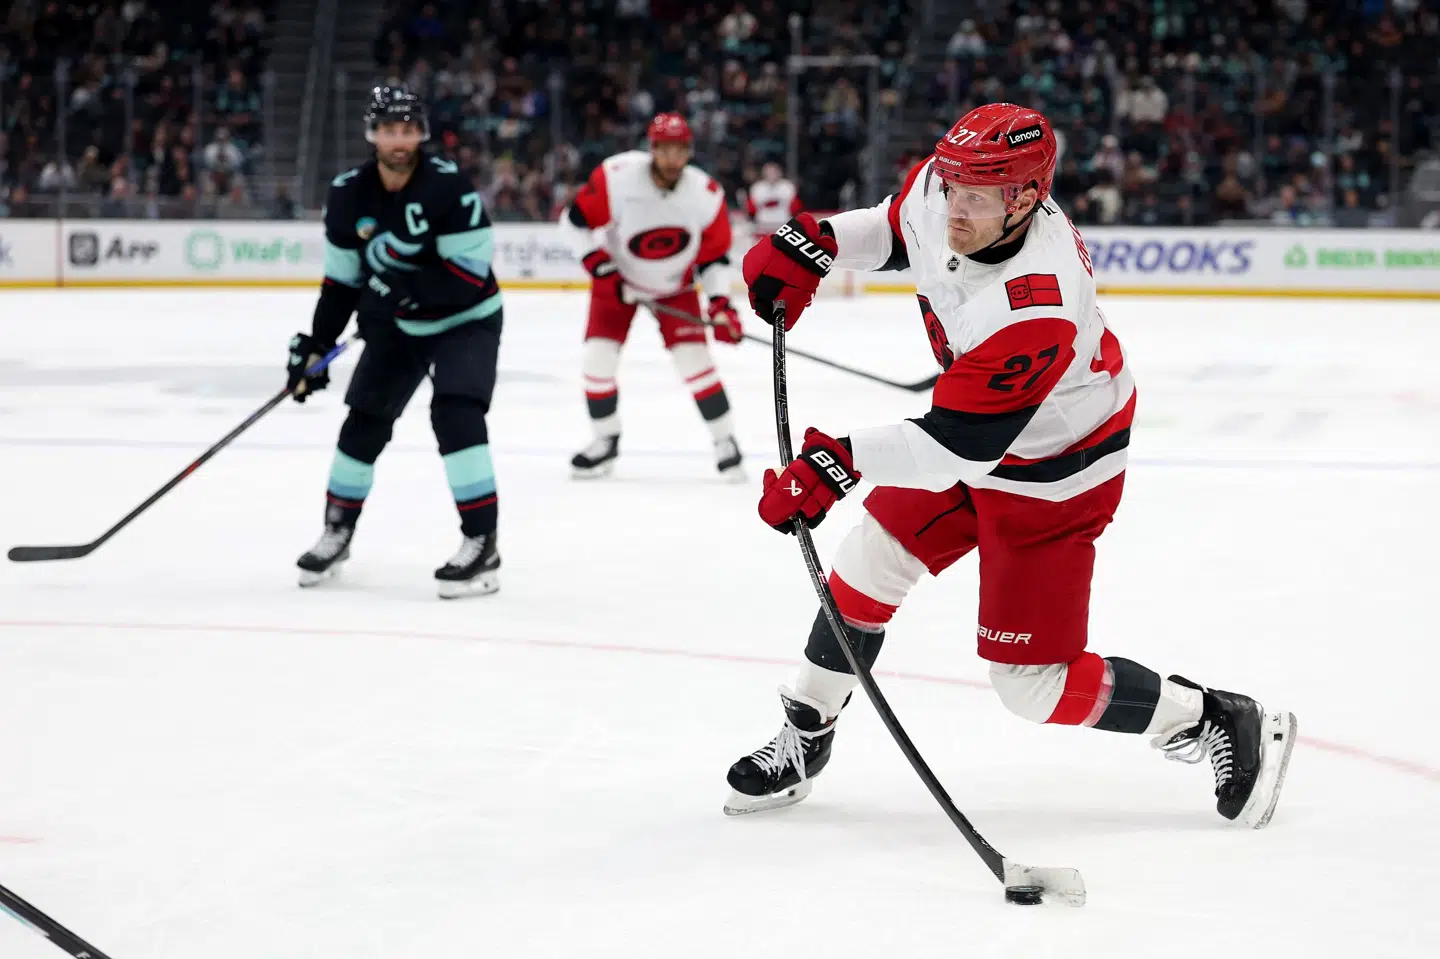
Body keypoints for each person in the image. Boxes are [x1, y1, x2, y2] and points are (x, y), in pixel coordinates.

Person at [726, 102, 1297, 828]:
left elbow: (956, 447)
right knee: (868, 560)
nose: (952, 204)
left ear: (1026, 198)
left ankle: (1212, 716)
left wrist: (838, 462)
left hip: (1056, 469)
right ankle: (806, 736)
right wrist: (818, 242)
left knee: (1031, 684)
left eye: (974, 196)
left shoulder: (1040, 301)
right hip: (976, 428)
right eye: (951, 185)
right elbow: (897, 228)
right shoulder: (950, 183)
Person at [287, 85, 504, 599]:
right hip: (400, 324)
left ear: (421, 134)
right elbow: (341, 283)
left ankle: (481, 542)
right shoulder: (347, 194)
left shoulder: (449, 186)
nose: (399, 140)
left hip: (467, 318)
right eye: (389, 130)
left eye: (407, 130)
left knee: (456, 414)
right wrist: (316, 346)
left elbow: (468, 275)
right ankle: (336, 531)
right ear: (372, 134)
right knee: (363, 420)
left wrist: (394, 292)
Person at [559, 113, 745, 480]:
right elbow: (572, 223)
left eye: (680, 150)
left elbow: (714, 257)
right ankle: (605, 439)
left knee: (696, 364)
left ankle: (726, 441)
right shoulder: (617, 178)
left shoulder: (706, 194)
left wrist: (720, 302)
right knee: (597, 362)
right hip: (617, 281)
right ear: (652, 149)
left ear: (689, 151)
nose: (673, 158)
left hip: (674, 288)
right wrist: (598, 265)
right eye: (665, 149)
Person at [745, 161, 803, 235]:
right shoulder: (757, 187)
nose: (771, 174)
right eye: (768, 172)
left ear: (779, 172)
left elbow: (796, 208)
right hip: (762, 225)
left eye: (773, 172)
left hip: (783, 224)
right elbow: (751, 208)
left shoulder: (788, 186)